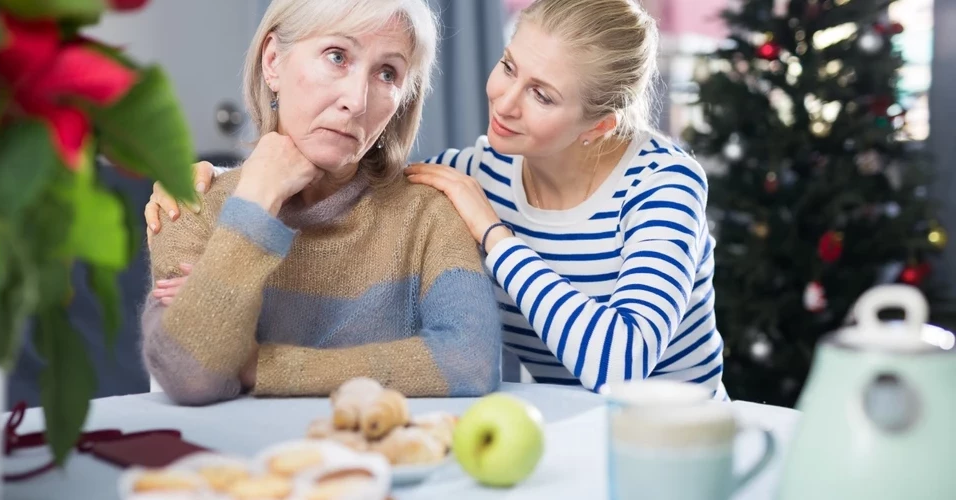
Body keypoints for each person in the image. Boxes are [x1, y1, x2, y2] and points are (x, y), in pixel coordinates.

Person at [148, 0, 726, 399]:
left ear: (597, 126)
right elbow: (191, 372)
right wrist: (231, 188)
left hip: (683, 434)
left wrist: (494, 235)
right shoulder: (469, 176)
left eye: (542, 95)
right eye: (508, 66)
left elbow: (615, 364)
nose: (504, 101)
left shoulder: (660, 184)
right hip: (562, 431)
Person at [141, 0, 502, 406]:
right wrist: (256, 203)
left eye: (388, 73)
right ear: (274, 61)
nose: (357, 101)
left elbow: (471, 360)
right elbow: (190, 376)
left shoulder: (429, 214)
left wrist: (261, 366)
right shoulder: (193, 203)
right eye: (337, 56)